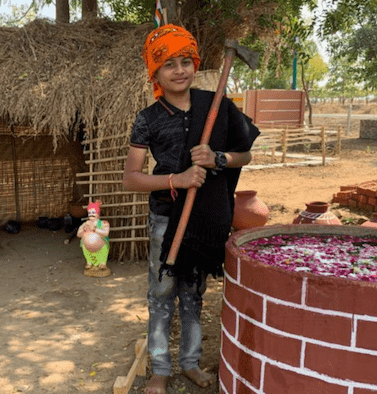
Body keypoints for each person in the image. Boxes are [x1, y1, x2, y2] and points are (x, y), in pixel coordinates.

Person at [122, 24, 259, 394]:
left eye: (186, 61)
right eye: (169, 64)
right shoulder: (147, 118)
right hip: (166, 219)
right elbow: (131, 179)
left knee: (193, 293)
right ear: (156, 72)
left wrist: (218, 157)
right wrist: (176, 180)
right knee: (162, 291)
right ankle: (161, 370)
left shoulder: (215, 105)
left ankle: (190, 362)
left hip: (203, 219)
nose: (179, 70)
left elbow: (245, 153)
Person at [77, 200, 111, 277]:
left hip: (101, 246)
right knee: (84, 246)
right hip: (87, 247)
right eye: (90, 213)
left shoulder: (103, 223)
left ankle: (102, 263)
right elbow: (78, 234)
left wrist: (95, 229)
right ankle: (89, 262)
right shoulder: (85, 223)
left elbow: (106, 233)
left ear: (98, 214)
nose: (91, 214)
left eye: (93, 212)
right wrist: (83, 230)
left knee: (104, 248)